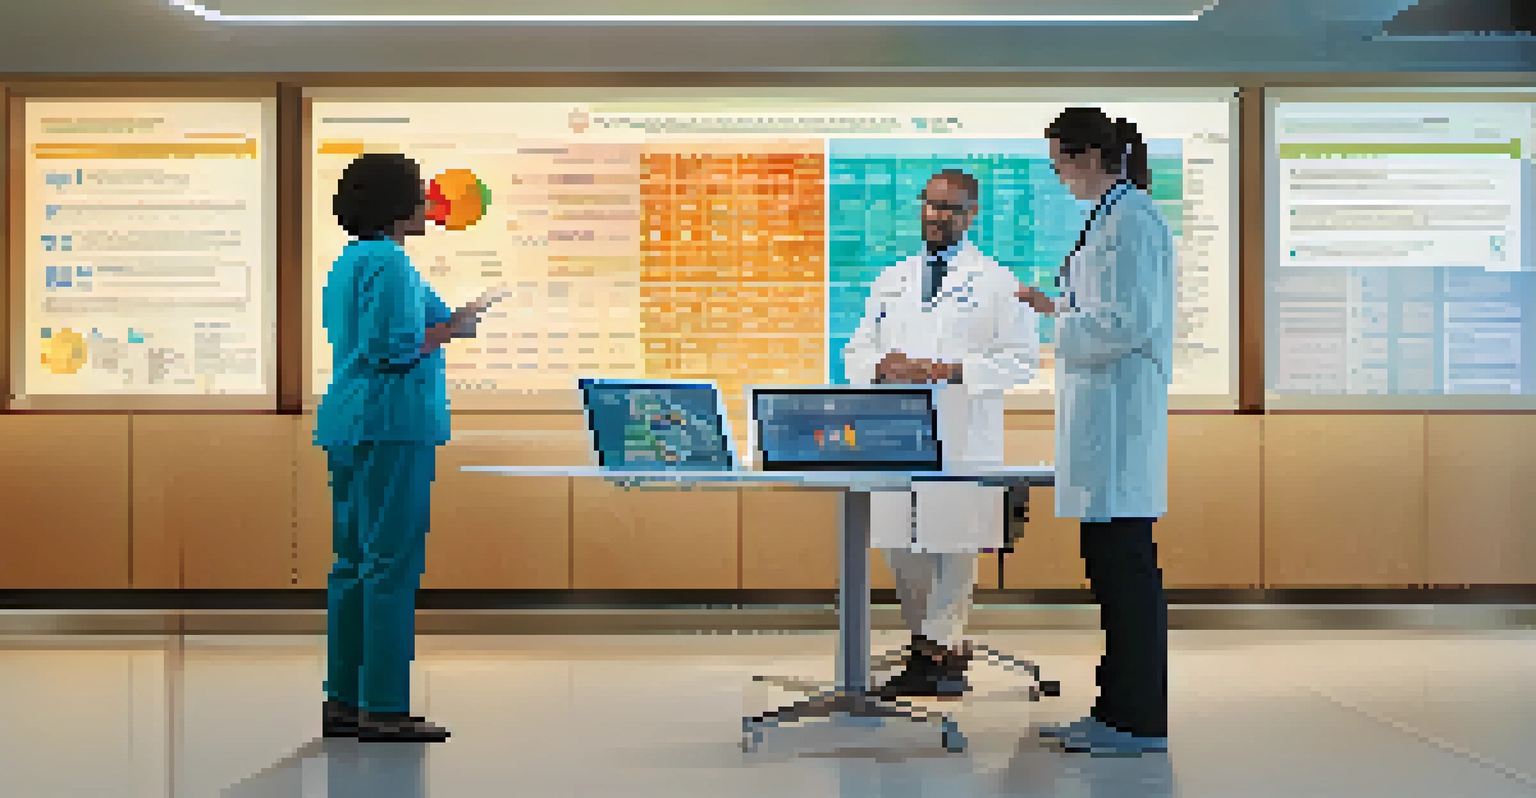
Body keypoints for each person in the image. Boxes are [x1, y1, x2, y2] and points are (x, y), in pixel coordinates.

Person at [315, 153, 504, 743]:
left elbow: (371, 341)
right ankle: (385, 706)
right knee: (391, 565)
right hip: (392, 426)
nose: (430, 206)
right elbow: (394, 349)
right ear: (399, 207)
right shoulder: (392, 265)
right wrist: (456, 327)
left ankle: (345, 698)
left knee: (353, 564)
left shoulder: (350, 262)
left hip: (349, 422)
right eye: (421, 196)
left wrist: (446, 324)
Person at [844, 169, 1040, 699]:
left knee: (952, 545)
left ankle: (939, 653)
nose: (937, 215)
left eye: (950, 208)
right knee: (900, 543)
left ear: (971, 215)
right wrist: (882, 367)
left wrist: (947, 371)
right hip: (896, 432)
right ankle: (933, 648)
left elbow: (1023, 361)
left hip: (962, 433)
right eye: (930, 205)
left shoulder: (1000, 283)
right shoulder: (890, 280)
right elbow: (856, 350)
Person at [1016, 108, 1174, 756]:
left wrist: (1060, 319)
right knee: (1110, 571)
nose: (1060, 180)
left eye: (1060, 166)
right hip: (1103, 422)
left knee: (1126, 573)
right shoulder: (1114, 214)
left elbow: (1130, 319)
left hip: (1120, 424)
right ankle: (1115, 711)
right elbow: (1106, 310)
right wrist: (1060, 311)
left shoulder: (1134, 218)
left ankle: (1136, 721)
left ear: (1086, 156)